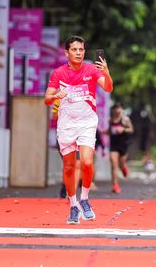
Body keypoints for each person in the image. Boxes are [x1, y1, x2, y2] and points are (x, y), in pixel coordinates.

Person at [45, 36, 113, 224]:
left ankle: (84, 198)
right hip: (66, 124)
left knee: (86, 162)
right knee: (68, 166)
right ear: (67, 53)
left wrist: (106, 73)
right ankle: (73, 205)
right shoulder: (58, 73)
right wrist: (56, 95)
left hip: (87, 122)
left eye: (81, 50)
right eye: (74, 50)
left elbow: (108, 88)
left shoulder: (91, 70)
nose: (78, 53)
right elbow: (47, 99)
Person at [108, 103, 133, 194]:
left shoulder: (125, 119)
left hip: (123, 144)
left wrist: (123, 129)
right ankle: (115, 185)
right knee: (114, 164)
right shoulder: (110, 120)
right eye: (116, 108)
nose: (118, 110)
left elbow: (131, 130)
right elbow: (109, 131)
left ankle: (124, 168)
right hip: (113, 144)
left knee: (121, 164)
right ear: (113, 110)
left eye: (119, 108)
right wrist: (105, 132)